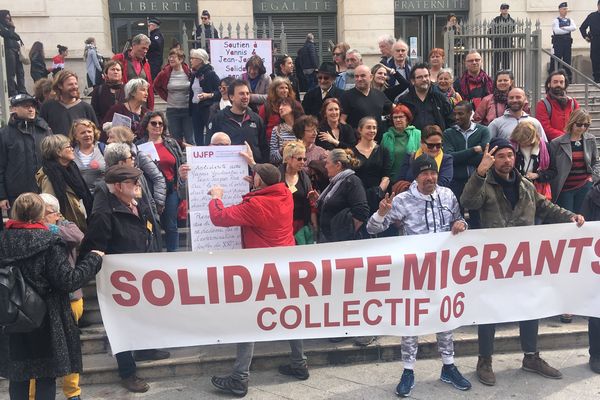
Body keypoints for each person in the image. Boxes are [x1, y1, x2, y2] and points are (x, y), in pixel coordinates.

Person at [460, 137, 585, 387]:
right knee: (489, 310)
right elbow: (467, 202)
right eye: (501, 156)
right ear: (492, 158)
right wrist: (480, 171)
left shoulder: (526, 186)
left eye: (510, 155)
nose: (507, 160)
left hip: (522, 262)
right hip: (492, 262)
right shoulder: (484, 183)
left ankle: (531, 357)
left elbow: (547, 208)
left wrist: (572, 217)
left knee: (530, 307)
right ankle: (484, 360)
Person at [366, 154, 471, 397]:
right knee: (411, 320)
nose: (430, 177)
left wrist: (462, 225)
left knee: (444, 317)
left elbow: (459, 221)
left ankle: (448, 366)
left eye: (433, 172)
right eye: (424, 173)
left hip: (443, 268)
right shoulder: (402, 200)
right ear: (416, 176)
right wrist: (382, 213)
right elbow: (372, 228)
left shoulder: (447, 195)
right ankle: (408, 370)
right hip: (413, 271)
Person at [208, 160, 305, 398]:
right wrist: (259, 183)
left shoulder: (256, 204)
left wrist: (216, 197)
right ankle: (299, 363)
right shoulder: (285, 194)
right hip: (286, 265)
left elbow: (220, 217)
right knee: (290, 315)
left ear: (260, 180)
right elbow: (270, 187)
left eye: (256, 176)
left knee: (249, 320)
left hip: (263, 269)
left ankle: (240, 378)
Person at [0, 192, 103, 400]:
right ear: (39, 215)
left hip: (11, 319)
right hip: (47, 320)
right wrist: (93, 259)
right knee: (45, 377)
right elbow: (68, 281)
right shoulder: (50, 241)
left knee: (18, 377)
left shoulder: (3, 240)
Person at [80, 165, 170, 393]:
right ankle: (127, 371)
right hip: (118, 280)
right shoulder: (104, 214)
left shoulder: (136, 206)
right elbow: (94, 248)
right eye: (133, 182)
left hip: (141, 273)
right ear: (119, 187)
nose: (139, 185)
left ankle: (145, 349)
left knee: (144, 315)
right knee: (120, 325)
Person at [37, 192, 86, 400]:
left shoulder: (66, 227)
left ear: (56, 214)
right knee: (38, 352)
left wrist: (49, 227)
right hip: (42, 301)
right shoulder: (31, 230)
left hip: (70, 297)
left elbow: (78, 237)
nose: (39, 216)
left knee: (71, 347)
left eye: (43, 212)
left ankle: (72, 393)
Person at [0, 94, 53, 229]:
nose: (31, 109)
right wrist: (2, 196)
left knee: (45, 230)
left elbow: (53, 159)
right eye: (26, 106)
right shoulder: (4, 134)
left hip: (44, 192)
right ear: (14, 109)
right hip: (16, 195)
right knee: (18, 231)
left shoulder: (45, 130)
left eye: (33, 106)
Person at [100, 142, 163, 252]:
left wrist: (155, 220)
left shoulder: (139, 175)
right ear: (121, 163)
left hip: (146, 239)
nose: (134, 158)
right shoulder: (103, 187)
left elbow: (149, 202)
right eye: (130, 157)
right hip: (124, 249)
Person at [136, 111, 183, 252]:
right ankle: (154, 254)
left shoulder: (172, 143)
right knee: (151, 225)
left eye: (160, 123)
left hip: (171, 189)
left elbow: (179, 163)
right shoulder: (139, 145)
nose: (157, 126)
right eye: (154, 123)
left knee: (171, 225)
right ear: (146, 125)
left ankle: (172, 255)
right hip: (149, 191)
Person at [105, 125, 166, 223]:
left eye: (111, 137)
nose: (108, 141)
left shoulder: (139, 155)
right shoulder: (109, 156)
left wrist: (157, 205)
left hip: (142, 204)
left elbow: (158, 178)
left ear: (121, 138)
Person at [36, 134, 93, 233]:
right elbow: (51, 208)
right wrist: (70, 229)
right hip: (69, 229)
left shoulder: (71, 168)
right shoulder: (50, 176)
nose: (72, 149)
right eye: (68, 146)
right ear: (58, 152)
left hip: (82, 223)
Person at [549, 108, 600, 214]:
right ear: (572, 123)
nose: (582, 128)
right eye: (579, 124)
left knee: (584, 219)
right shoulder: (556, 143)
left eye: (586, 125)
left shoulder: (590, 139)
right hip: (564, 189)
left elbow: (596, 162)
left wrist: (592, 178)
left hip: (585, 186)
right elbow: (552, 167)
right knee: (568, 221)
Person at [207, 79, 269, 163]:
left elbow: (264, 149)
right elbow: (208, 147)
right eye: (241, 94)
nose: (246, 97)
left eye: (247, 93)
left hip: (254, 172)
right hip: (227, 171)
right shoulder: (218, 118)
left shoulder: (256, 119)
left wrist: (260, 171)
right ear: (231, 97)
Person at [317, 148, 370, 243]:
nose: (325, 166)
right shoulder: (334, 182)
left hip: (342, 242)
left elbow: (362, 212)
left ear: (338, 165)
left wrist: (345, 234)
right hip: (328, 239)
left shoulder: (352, 181)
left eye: (327, 163)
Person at [443, 101, 490, 204]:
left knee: (476, 215)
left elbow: (484, 158)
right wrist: (473, 150)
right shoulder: (448, 133)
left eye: (460, 114)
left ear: (470, 113)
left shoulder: (483, 131)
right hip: (456, 181)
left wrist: (459, 157)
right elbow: (450, 158)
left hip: (477, 180)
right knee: (456, 214)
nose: (456, 117)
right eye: (455, 114)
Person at [396, 63, 454, 131]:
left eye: (426, 76)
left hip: (437, 140)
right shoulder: (404, 101)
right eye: (419, 77)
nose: (424, 79)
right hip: (412, 140)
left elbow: (451, 122)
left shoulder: (441, 98)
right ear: (413, 81)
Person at [341, 64, 392, 140]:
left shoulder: (379, 94)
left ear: (371, 77)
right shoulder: (346, 96)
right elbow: (341, 120)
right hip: (357, 143)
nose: (359, 79)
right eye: (356, 76)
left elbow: (396, 110)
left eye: (362, 76)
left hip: (378, 143)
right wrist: (354, 134)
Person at [580, 180, 600, 374]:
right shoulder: (592, 195)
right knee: (597, 311)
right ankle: (596, 354)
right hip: (597, 261)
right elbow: (583, 228)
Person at [153, 47, 193, 144]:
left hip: (188, 110)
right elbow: (156, 85)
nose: (171, 59)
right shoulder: (165, 73)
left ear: (181, 59)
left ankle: (192, 158)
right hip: (172, 110)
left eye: (173, 57)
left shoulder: (189, 72)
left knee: (190, 139)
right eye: (169, 57)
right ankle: (177, 158)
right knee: (175, 139)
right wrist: (166, 97)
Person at [280, 141, 317, 243]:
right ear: (288, 158)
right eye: (299, 159)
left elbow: (311, 204)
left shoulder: (304, 178)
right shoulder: (277, 176)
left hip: (301, 225)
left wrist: (314, 226)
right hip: (282, 225)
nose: (303, 162)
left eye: (304, 159)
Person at [352, 117, 391, 214]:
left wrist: (378, 192)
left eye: (374, 128)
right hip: (358, 198)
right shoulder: (351, 153)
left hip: (378, 198)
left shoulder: (383, 151)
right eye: (368, 127)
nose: (372, 130)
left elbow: (386, 176)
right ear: (360, 130)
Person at [40, 70, 99, 135]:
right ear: (60, 86)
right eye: (70, 84)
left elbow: (95, 132)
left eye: (76, 84)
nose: (75, 87)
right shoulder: (47, 107)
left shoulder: (86, 108)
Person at [397, 125, 454, 189]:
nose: (435, 148)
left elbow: (444, 183)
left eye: (438, 145)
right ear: (421, 142)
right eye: (430, 145)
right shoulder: (410, 157)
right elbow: (400, 180)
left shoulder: (446, 159)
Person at [510, 121, 556, 200]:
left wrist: (537, 175)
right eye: (520, 141)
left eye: (526, 142)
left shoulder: (545, 147)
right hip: (517, 190)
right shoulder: (511, 147)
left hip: (539, 191)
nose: (523, 144)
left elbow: (553, 171)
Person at [381, 104, 422, 184]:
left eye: (401, 117)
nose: (398, 120)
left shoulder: (417, 134)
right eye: (395, 117)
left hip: (413, 180)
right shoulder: (386, 136)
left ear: (407, 118)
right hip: (391, 180)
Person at [112, 33, 155, 110]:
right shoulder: (119, 59)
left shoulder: (146, 64)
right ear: (134, 45)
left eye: (147, 49)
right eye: (143, 48)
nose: (145, 51)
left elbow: (149, 86)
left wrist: (150, 107)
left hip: (142, 106)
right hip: (124, 104)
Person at [535, 70, 579, 141]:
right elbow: (544, 128)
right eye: (555, 82)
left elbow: (579, 122)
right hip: (553, 145)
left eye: (561, 82)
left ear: (565, 84)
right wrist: (566, 137)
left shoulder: (573, 103)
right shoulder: (542, 105)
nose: (558, 84)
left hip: (572, 143)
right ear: (549, 84)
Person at [188, 48, 220, 146]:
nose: (191, 60)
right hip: (195, 108)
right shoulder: (194, 74)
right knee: (197, 135)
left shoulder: (210, 74)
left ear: (200, 60)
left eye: (193, 58)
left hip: (207, 108)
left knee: (210, 133)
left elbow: (220, 91)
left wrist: (208, 95)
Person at [259, 77, 303, 142]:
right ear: (275, 90)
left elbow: (302, 123)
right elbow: (260, 128)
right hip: (271, 142)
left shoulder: (296, 105)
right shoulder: (266, 107)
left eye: (286, 88)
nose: (285, 91)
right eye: (281, 88)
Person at [70, 119, 106, 193]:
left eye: (89, 131)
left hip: (102, 196)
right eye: (83, 133)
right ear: (76, 136)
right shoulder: (71, 152)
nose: (87, 135)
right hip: (80, 198)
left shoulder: (104, 149)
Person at [269, 97, 304, 166]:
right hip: (284, 169)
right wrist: (282, 150)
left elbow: (310, 149)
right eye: (280, 106)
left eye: (284, 105)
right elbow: (272, 158)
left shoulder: (303, 128)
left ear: (294, 108)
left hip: (302, 167)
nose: (280, 108)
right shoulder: (277, 130)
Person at [0, 10, 26, 96]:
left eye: (9, 18)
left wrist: (12, 30)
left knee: (20, 72)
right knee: (11, 73)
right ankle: (12, 92)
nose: (8, 20)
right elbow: (7, 34)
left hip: (16, 51)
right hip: (8, 51)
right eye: (6, 18)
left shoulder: (9, 27)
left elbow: (16, 36)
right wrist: (12, 28)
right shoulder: (2, 27)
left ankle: (22, 91)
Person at [550, 2, 577, 81]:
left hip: (567, 43)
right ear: (560, 10)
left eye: (566, 9)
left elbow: (574, 28)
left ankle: (568, 79)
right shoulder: (556, 20)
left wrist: (564, 28)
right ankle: (553, 77)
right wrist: (568, 29)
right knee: (556, 61)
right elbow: (557, 31)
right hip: (558, 43)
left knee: (567, 61)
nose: (566, 11)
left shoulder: (570, 20)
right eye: (564, 9)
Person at [489, 3, 515, 72]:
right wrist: (494, 40)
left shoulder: (512, 21)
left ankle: (506, 78)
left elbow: (512, 31)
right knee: (495, 64)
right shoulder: (496, 20)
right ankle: (495, 79)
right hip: (497, 45)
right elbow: (490, 32)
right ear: (500, 10)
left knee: (506, 65)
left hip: (507, 45)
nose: (505, 10)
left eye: (506, 8)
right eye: (503, 8)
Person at [579, 1, 600, 83]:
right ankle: (597, 79)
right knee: (595, 59)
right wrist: (586, 37)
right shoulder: (592, 16)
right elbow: (582, 28)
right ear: (598, 5)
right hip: (595, 41)